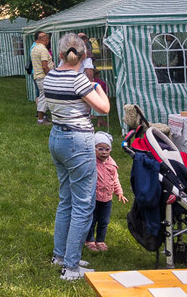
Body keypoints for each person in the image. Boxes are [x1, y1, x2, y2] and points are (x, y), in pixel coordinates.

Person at [43, 33, 110, 281]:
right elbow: (104, 108)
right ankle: (71, 268)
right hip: (77, 141)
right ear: (84, 56)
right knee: (83, 204)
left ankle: (60, 256)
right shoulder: (79, 80)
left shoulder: (50, 77)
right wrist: (97, 87)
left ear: (60, 54)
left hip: (57, 138)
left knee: (66, 200)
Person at [85, 132, 128, 252]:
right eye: (100, 149)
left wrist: (119, 192)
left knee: (104, 221)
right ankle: (89, 240)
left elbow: (115, 179)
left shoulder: (112, 164)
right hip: (93, 197)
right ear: (94, 149)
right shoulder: (92, 163)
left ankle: (100, 240)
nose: (104, 152)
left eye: (107, 149)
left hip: (107, 198)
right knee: (92, 220)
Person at [31, 31, 54, 125]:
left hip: (38, 76)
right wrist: (50, 76)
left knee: (42, 97)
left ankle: (43, 117)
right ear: (44, 39)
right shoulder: (43, 49)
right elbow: (44, 65)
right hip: (44, 77)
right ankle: (41, 119)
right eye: (47, 38)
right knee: (44, 98)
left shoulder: (34, 48)